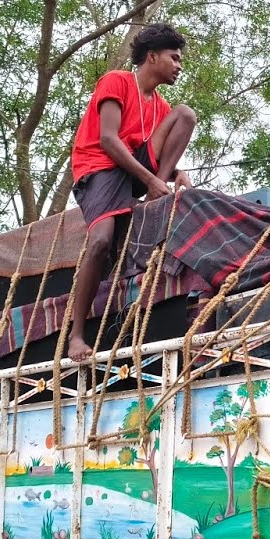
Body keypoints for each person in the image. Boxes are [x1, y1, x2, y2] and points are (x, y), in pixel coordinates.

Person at [67, 23, 197, 362]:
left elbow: (157, 147)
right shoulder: (116, 81)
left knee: (186, 114)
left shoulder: (161, 107)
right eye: (174, 58)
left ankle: (156, 192)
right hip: (99, 167)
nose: (179, 66)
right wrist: (153, 181)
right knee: (100, 242)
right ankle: (76, 334)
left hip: (133, 172)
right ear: (152, 56)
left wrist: (174, 175)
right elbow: (109, 140)